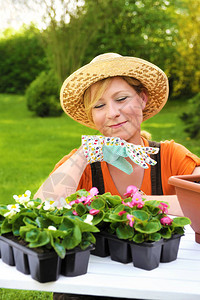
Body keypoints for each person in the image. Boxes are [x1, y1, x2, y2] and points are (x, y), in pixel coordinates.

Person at [35, 53, 200, 300]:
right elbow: (41, 208)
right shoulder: (82, 163)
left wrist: (138, 203)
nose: (112, 113)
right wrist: (83, 154)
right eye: (99, 106)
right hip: (95, 281)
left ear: (142, 99)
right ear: (92, 116)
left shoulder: (169, 155)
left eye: (121, 99)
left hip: (162, 277)